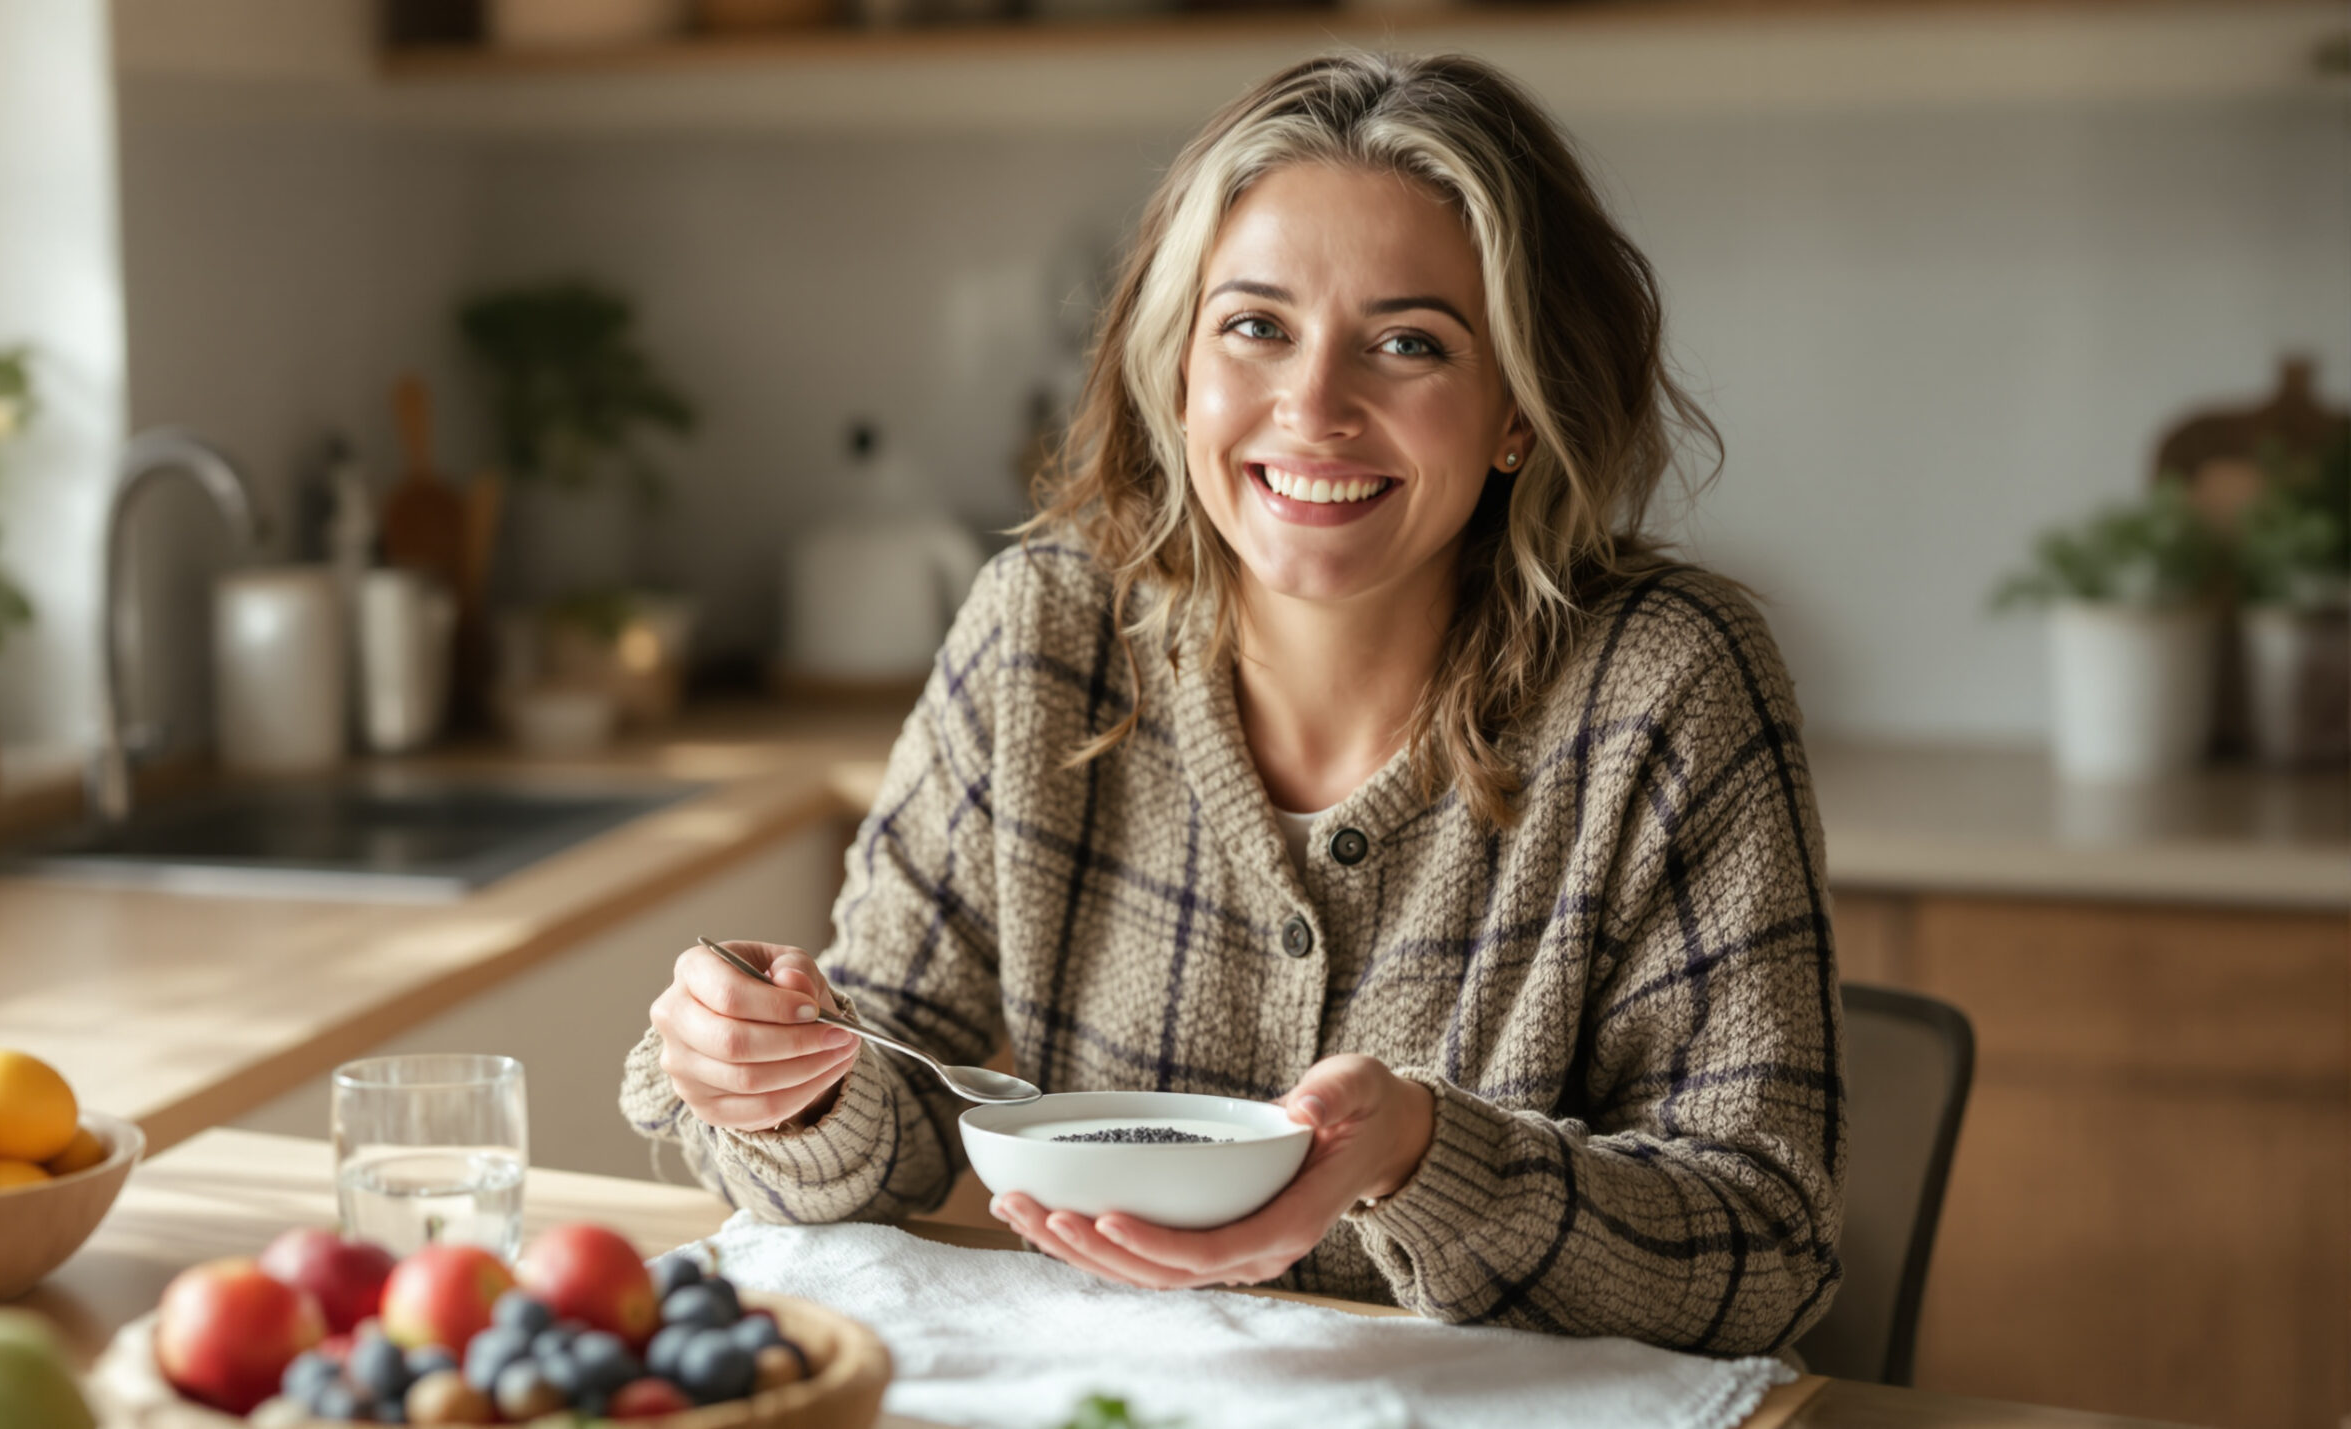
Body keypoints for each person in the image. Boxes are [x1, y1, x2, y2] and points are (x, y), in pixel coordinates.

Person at [623, 51, 1843, 1355]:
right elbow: (893, 1103)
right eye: (1256, 326)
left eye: (1409, 343)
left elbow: (1770, 1249)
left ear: (1517, 414)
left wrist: (1425, 1153)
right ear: (1178, 369)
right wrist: (775, 1084)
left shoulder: (1668, 686)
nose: (1314, 406)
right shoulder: (1047, 631)